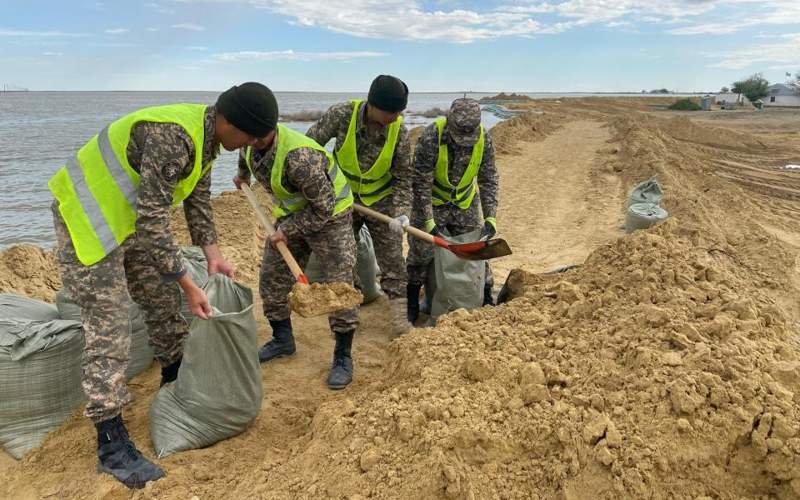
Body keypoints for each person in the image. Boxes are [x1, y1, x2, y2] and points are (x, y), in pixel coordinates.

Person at [49, 82, 276, 489]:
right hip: (88, 219)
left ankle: (176, 383)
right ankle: (111, 443)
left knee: (162, 304)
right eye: (250, 136)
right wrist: (191, 284)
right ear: (228, 122)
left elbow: (198, 201)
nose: (251, 144)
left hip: (127, 219)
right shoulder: (175, 137)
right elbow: (154, 223)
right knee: (110, 326)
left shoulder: (208, 140)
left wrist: (213, 254)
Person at [233, 89, 358, 391]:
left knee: (339, 286)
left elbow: (323, 208)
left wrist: (287, 231)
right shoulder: (249, 142)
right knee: (272, 278)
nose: (246, 142)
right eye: (244, 137)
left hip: (332, 219)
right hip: (293, 215)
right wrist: (241, 175)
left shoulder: (301, 158)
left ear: (267, 133)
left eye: (252, 138)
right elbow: (245, 157)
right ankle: (282, 339)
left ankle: (343, 355)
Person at [305, 75, 413, 335]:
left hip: (382, 203)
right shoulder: (342, 115)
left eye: (400, 112)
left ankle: (399, 322)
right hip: (343, 201)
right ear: (372, 105)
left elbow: (404, 177)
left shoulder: (399, 131)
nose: (396, 117)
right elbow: (307, 147)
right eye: (391, 111)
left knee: (394, 262)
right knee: (342, 260)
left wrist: (401, 213)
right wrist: (318, 186)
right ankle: (347, 318)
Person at [406, 98, 499, 322]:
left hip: (465, 203)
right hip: (432, 202)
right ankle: (411, 300)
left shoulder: (483, 139)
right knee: (421, 252)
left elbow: (488, 179)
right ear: (449, 122)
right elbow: (421, 183)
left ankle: (485, 295)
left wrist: (490, 217)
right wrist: (429, 222)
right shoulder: (431, 137)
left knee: (476, 248)